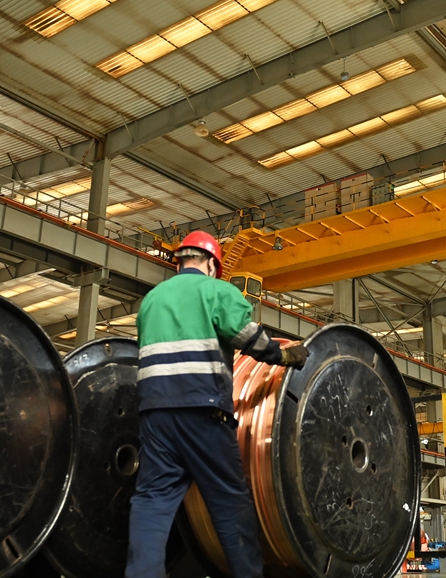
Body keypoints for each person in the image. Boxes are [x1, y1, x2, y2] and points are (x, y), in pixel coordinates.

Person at [125, 230, 310, 578]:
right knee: (229, 501)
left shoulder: (151, 300)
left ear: (181, 260)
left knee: (152, 501)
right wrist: (283, 355)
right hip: (203, 412)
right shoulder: (217, 291)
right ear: (211, 263)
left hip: (154, 414)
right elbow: (246, 337)